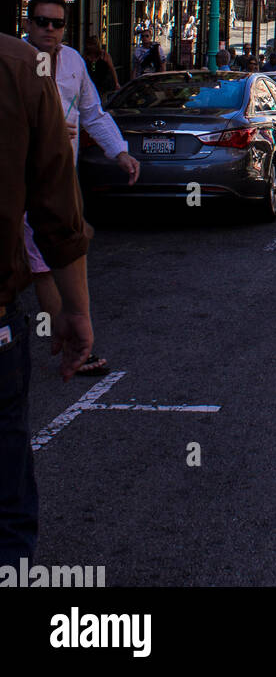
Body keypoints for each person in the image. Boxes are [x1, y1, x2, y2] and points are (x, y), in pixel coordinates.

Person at [1, 31, 95, 566]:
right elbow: (57, 209)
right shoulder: (18, 66)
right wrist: (75, 313)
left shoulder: (45, 66)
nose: (50, 28)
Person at [24, 0, 140, 376]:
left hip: (61, 181)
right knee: (44, 263)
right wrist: (44, 130)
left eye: (57, 24)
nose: (50, 30)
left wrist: (119, 152)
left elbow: (93, 112)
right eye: (42, 22)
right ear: (28, 24)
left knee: (62, 254)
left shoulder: (73, 61)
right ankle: (70, 339)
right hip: (21, 182)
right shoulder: (15, 63)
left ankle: (68, 337)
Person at [83, 35, 118, 101]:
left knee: (102, 100)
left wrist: (116, 83)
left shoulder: (104, 55)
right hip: (91, 83)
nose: (90, 47)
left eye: (92, 45)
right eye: (89, 44)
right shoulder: (86, 56)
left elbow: (112, 69)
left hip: (102, 84)